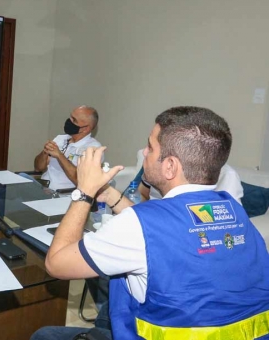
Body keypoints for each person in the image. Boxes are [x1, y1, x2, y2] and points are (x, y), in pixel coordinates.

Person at [34, 106, 269, 340]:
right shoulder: (233, 211)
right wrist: (111, 196)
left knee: (45, 335)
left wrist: (84, 192)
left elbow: (56, 264)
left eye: (150, 147)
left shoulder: (137, 226)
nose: (144, 153)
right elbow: (168, 228)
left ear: (170, 166)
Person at [34, 105, 100, 191]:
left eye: (74, 120)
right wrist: (45, 152)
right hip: (42, 187)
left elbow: (80, 180)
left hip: (62, 194)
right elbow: (38, 168)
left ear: (86, 129)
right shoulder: (60, 138)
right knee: (20, 178)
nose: (69, 121)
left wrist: (59, 155)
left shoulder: (93, 149)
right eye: (70, 117)